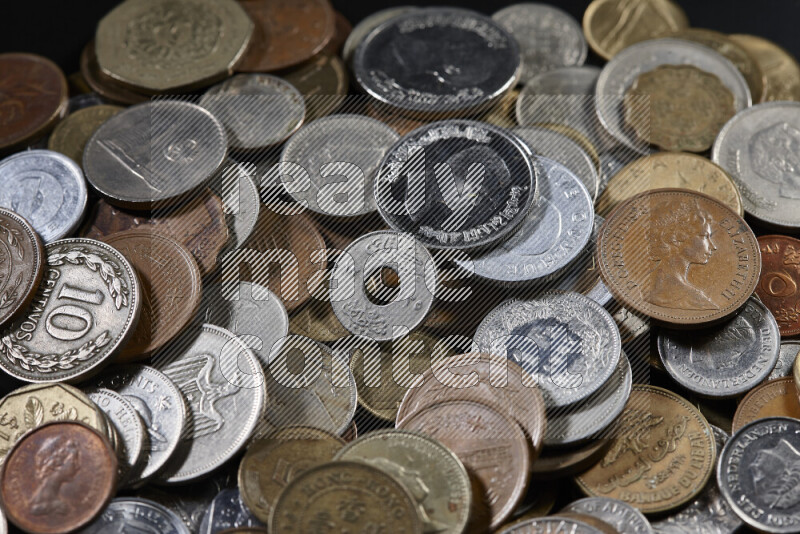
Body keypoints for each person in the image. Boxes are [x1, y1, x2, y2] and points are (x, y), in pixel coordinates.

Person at [646, 197, 719, 310]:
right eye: (704, 236)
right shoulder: (694, 299)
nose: (713, 246)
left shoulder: (647, 284)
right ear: (677, 238)